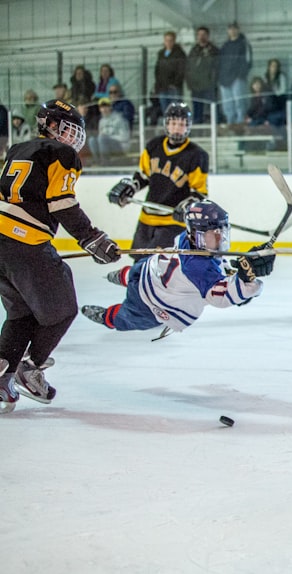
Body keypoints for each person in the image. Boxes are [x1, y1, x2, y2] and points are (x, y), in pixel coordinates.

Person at [0, 99, 121, 413]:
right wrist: (91, 237)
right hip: (25, 244)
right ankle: (31, 368)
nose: (72, 139)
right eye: (66, 129)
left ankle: (1, 378)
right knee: (63, 309)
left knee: (21, 314)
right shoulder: (63, 154)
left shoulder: (17, 149)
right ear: (48, 125)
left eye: (74, 133)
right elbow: (61, 203)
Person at [81, 200, 274, 336]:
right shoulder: (198, 268)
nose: (220, 238)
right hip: (152, 302)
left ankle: (122, 277)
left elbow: (195, 216)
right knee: (127, 318)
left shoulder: (188, 237)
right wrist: (248, 281)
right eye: (213, 233)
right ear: (196, 233)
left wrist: (243, 272)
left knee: (136, 271)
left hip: (149, 268)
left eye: (222, 231)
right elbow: (222, 297)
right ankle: (108, 317)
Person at [106, 102, 208, 251]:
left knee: (156, 265)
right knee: (138, 266)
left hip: (173, 222)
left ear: (188, 126)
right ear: (166, 124)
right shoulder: (154, 146)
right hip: (147, 218)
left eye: (182, 124)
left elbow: (199, 193)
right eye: (173, 123)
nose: (177, 128)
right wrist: (129, 188)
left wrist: (188, 206)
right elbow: (143, 176)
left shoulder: (197, 155)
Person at [218, 22, 253, 126]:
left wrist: (240, 75)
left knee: (239, 103)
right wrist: (221, 76)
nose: (232, 31)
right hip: (225, 79)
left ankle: (240, 123)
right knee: (227, 104)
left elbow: (248, 61)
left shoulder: (244, 44)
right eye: (230, 29)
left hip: (237, 78)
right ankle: (230, 124)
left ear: (238, 30)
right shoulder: (225, 46)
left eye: (234, 29)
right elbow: (220, 62)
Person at [186, 26, 220, 124]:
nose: (201, 37)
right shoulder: (193, 51)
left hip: (209, 85)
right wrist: (189, 83)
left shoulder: (213, 50)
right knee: (197, 109)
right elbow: (188, 67)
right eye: (199, 35)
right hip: (196, 85)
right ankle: (198, 129)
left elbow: (217, 67)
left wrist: (213, 80)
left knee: (213, 108)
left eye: (204, 35)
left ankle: (216, 127)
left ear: (208, 36)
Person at [153, 31, 186, 116]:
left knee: (176, 109)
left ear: (174, 41)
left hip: (174, 87)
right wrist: (158, 84)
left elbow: (182, 70)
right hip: (162, 87)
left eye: (171, 40)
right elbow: (157, 70)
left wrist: (175, 83)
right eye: (167, 40)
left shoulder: (179, 54)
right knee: (165, 110)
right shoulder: (161, 53)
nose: (168, 42)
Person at [88, 97, 130, 162]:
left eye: (106, 106)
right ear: (99, 109)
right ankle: (97, 161)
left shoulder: (119, 119)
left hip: (120, 146)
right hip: (106, 144)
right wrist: (105, 138)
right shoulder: (101, 121)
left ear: (110, 107)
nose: (104, 109)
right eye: (102, 107)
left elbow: (125, 137)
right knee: (92, 140)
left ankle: (105, 162)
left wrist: (108, 137)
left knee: (102, 138)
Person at [264, 58, 289, 124]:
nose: (274, 68)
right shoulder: (266, 78)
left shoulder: (281, 76)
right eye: (272, 66)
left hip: (279, 101)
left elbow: (282, 91)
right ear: (269, 67)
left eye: (276, 66)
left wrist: (273, 93)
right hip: (270, 103)